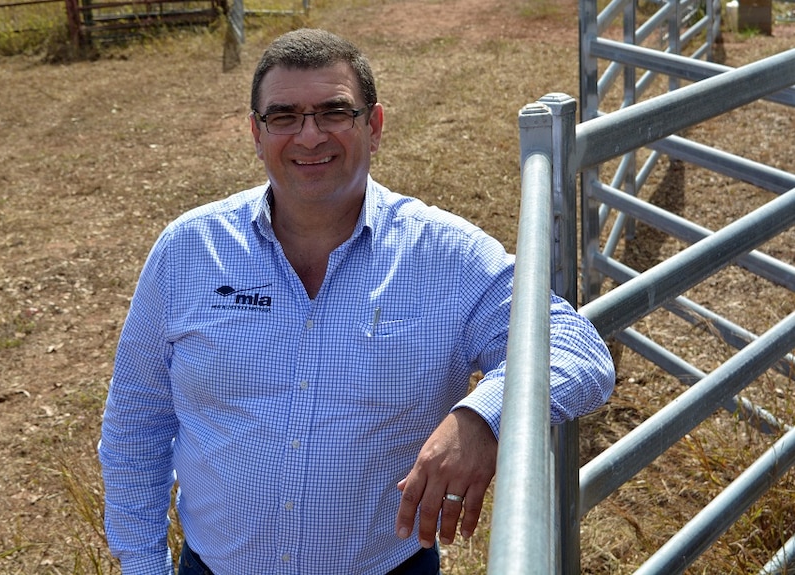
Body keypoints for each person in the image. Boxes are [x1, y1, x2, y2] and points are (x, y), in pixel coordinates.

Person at [98, 28, 615, 575]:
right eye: (284, 117)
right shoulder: (188, 250)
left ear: (375, 126)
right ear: (256, 133)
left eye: (334, 112)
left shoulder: (444, 255)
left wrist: (483, 418)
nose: (309, 136)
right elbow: (137, 421)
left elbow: (577, 349)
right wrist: (143, 564)